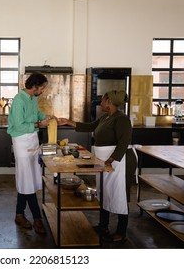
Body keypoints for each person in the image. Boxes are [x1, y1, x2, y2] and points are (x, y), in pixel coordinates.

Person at [58, 90, 137, 243]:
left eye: (103, 100)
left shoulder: (121, 119)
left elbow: (124, 142)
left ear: (110, 102)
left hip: (120, 162)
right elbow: (89, 126)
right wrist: (67, 121)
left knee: (120, 194)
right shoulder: (106, 117)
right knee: (104, 191)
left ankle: (121, 232)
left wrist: (111, 159)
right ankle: (103, 226)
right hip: (105, 161)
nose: (101, 102)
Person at [7, 72, 55, 235]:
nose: (43, 91)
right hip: (21, 141)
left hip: (32, 140)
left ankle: (19, 214)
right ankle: (37, 218)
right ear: (34, 87)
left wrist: (48, 117)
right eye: (42, 88)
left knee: (29, 179)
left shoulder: (33, 99)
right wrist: (39, 123)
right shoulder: (18, 100)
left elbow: (37, 114)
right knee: (27, 180)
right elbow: (19, 126)